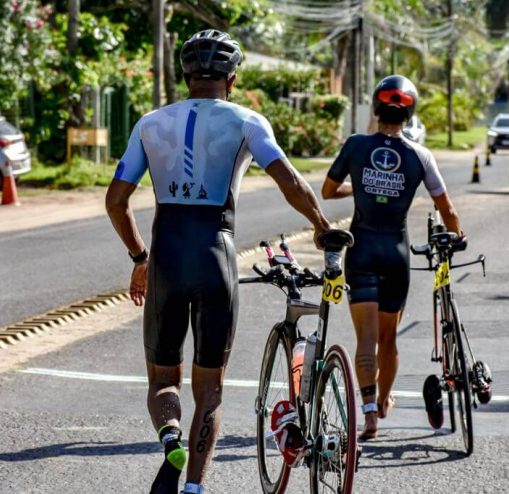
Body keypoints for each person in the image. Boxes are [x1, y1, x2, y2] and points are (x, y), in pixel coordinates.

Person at [105, 29, 331, 494]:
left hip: (166, 254)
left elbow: (115, 200)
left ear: (184, 75)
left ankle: (170, 436)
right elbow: (289, 180)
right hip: (216, 255)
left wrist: (139, 257)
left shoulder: (150, 123)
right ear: (231, 79)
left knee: (163, 377)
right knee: (210, 389)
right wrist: (319, 223)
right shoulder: (248, 120)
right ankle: (193, 488)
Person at [322, 75, 463, 439]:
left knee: (365, 340)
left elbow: (328, 189)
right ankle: (385, 401)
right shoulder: (420, 155)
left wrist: (362, 185)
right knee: (389, 339)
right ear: (409, 113)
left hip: (362, 251)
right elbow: (445, 207)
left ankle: (368, 413)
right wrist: (458, 235)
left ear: (376, 108)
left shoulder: (355, 145)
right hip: (396, 255)